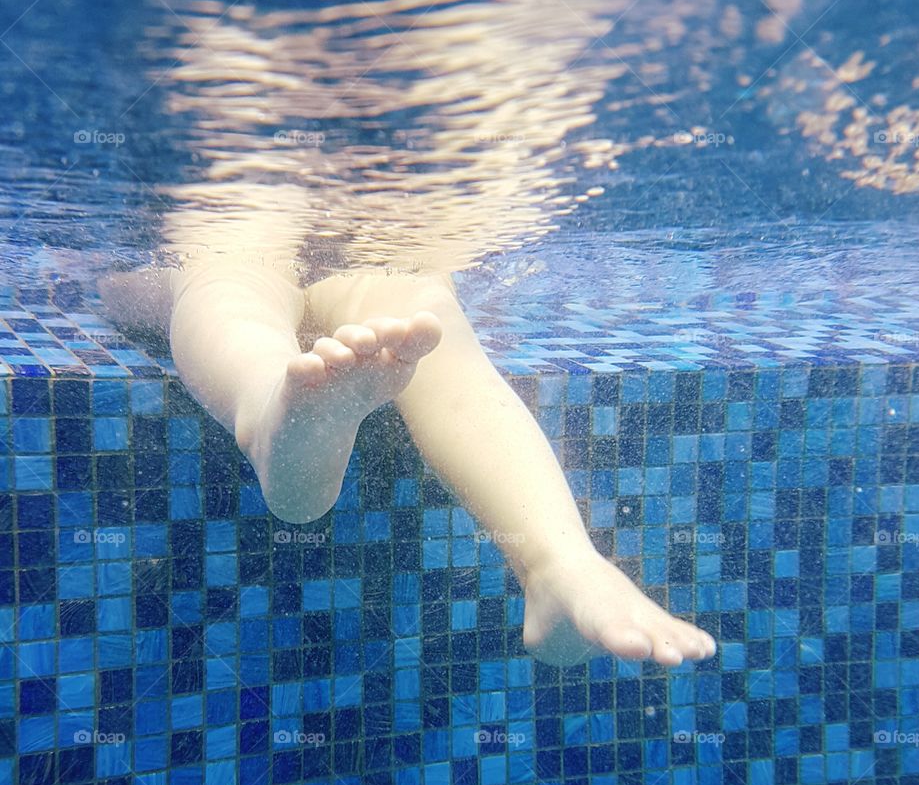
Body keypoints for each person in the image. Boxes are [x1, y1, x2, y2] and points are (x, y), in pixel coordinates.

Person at [100, 262, 716, 669]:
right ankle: (558, 560)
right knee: (419, 303)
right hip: (369, 229)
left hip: (258, 217)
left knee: (225, 284)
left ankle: (271, 414)